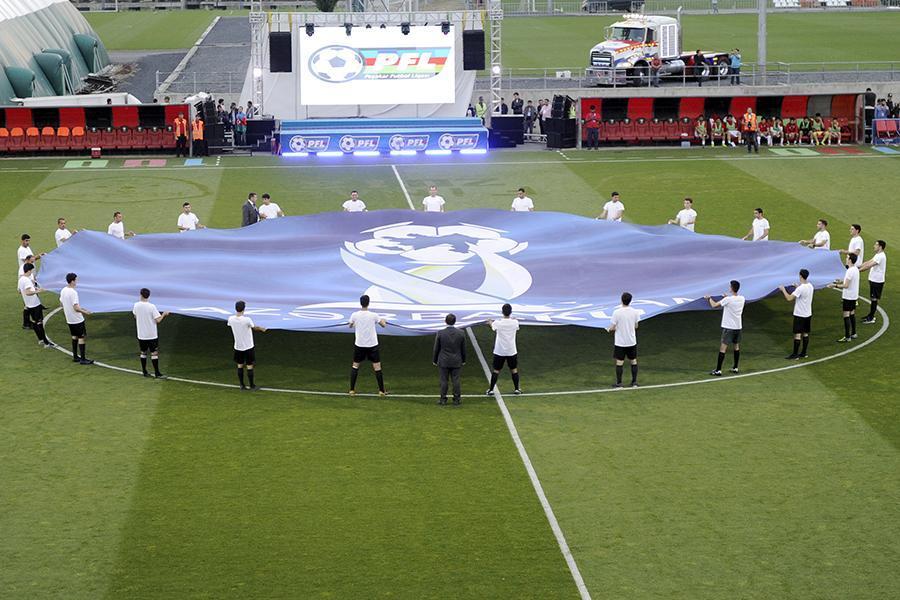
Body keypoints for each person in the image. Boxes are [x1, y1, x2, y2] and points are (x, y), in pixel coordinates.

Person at [348, 294, 387, 396]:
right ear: (368, 303)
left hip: (359, 344)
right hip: (372, 345)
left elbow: (350, 325)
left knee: (355, 366)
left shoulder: (355, 315)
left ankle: (352, 390)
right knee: (377, 367)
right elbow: (383, 325)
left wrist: (353, 323)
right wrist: (384, 321)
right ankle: (381, 391)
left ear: (360, 303)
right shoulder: (374, 315)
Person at [706, 280, 745, 376]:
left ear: (731, 288)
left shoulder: (728, 300)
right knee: (736, 347)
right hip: (738, 327)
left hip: (729, 328)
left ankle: (718, 370)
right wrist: (726, 298)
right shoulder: (742, 298)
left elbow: (714, 305)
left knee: (723, 349)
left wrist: (709, 298)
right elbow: (732, 302)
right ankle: (735, 368)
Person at [228, 300, 267, 390]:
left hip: (238, 346)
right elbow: (254, 327)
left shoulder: (231, 319)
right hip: (248, 346)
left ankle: (242, 385)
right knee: (249, 365)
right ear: (244, 309)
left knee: (240, 365)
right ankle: (252, 385)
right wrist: (262, 329)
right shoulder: (247, 320)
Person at [133, 288, 170, 378]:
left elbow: (135, 316)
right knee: (154, 353)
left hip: (141, 334)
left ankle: (144, 372)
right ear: (149, 296)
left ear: (141, 295)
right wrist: (164, 314)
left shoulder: (136, 305)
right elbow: (158, 320)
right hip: (151, 334)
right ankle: (157, 373)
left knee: (143, 353)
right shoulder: (151, 306)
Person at [486, 303, 521, 395]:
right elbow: (516, 325)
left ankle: (491, 389)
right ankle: (517, 389)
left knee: (496, 370)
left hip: (499, 351)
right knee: (514, 369)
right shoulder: (514, 322)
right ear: (511, 312)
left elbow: (492, 326)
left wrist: (490, 322)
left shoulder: (498, 323)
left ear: (502, 312)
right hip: (511, 350)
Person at [779, 269, 814, 359]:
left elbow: (789, 298)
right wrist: (797, 286)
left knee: (797, 334)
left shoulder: (800, 289)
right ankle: (803, 353)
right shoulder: (810, 286)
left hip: (799, 314)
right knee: (805, 333)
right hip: (808, 314)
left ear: (800, 276)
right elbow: (803, 292)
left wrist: (783, 290)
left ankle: (795, 355)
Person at [60, 272, 93, 365]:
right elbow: (76, 308)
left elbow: (61, 303)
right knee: (81, 337)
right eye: (76, 280)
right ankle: (83, 359)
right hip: (77, 319)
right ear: (72, 281)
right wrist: (85, 312)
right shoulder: (73, 292)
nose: (77, 281)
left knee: (74, 336)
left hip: (69, 319)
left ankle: (75, 356)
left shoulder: (63, 290)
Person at [433, 313, 466, 405]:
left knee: (444, 380)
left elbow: (436, 348)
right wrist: (463, 360)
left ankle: (443, 399)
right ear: (455, 321)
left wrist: (435, 360)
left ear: (445, 321)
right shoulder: (461, 333)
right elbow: (463, 348)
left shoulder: (440, 333)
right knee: (456, 380)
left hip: (443, 360)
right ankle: (456, 399)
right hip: (456, 360)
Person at [609, 292, 640, 388]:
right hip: (631, 341)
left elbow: (612, 327)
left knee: (619, 362)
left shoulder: (617, 312)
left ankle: (619, 383)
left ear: (621, 300)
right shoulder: (635, 312)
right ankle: (634, 382)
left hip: (620, 342)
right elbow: (636, 326)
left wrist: (609, 329)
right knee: (633, 361)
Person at [18, 263, 52, 347]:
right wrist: (38, 291)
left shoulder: (21, 279)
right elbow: (28, 292)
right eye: (31, 270)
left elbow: (20, 291)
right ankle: (46, 343)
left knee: (34, 322)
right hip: (35, 304)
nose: (32, 272)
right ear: (29, 271)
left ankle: (40, 340)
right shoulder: (26, 280)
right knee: (39, 323)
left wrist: (34, 288)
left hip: (28, 304)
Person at [828, 254, 860, 342]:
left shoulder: (849, 271)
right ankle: (854, 333)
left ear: (850, 260)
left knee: (846, 315)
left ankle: (847, 336)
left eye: (847, 258)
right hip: (854, 296)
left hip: (848, 296)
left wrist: (834, 285)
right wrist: (840, 280)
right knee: (852, 314)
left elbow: (846, 285)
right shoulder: (855, 269)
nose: (846, 259)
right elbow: (849, 280)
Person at [859, 240, 887, 324]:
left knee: (874, 299)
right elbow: (869, 262)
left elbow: (869, 265)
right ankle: (870, 315)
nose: (874, 246)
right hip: (874, 280)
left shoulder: (881, 256)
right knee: (873, 298)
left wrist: (857, 271)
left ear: (880, 247)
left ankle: (871, 318)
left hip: (877, 281)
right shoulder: (878, 255)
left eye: (876, 245)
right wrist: (858, 266)